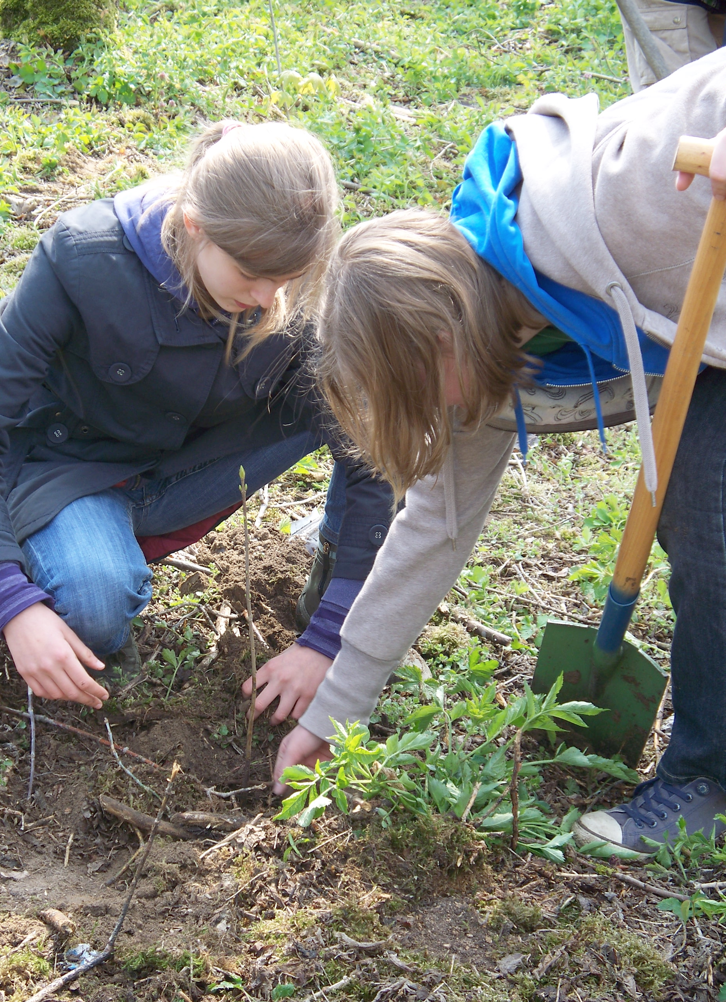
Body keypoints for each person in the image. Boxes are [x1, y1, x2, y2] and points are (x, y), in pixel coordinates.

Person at [272, 49, 726, 856]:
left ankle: (708, 780)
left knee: (711, 522)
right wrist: (337, 705)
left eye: (423, 394)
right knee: (697, 519)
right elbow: (436, 523)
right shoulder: (485, 339)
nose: (444, 414)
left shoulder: (626, 201)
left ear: (441, 333)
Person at [0, 118, 392, 710]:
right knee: (91, 613)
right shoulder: (86, 259)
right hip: (69, 471)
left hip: (195, 466)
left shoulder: (294, 288)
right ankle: (42, 544)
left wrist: (331, 638)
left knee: (373, 402)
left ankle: (330, 566)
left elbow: (371, 452)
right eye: (250, 275)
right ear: (195, 226)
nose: (265, 299)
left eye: (288, 280)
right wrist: (8, 598)